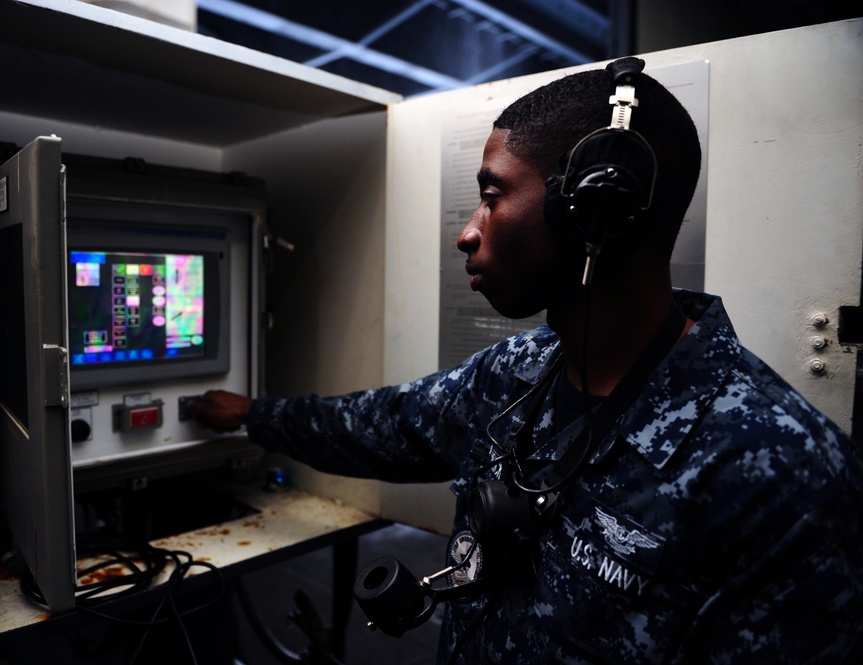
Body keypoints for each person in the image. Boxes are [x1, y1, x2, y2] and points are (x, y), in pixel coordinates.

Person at [192, 58, 863, 663]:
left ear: (594, 211)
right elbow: (381, 425)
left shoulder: (785, 473)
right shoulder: (516, 372)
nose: (466, 232)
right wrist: (252, 414)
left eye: (491, 195)